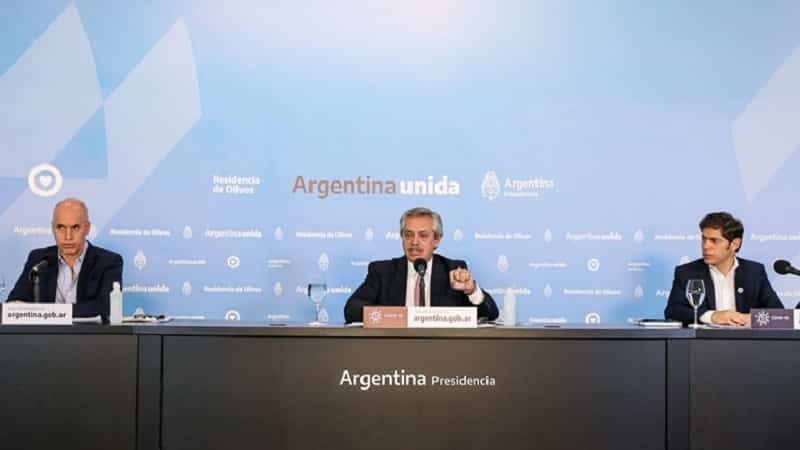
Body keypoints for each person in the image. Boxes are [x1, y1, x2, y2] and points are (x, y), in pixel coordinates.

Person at [344, 207, 498, 323]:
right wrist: (395, 317)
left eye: (423, 236)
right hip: (394, 347)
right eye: (408, 235)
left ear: (436, 240)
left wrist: (471, 290)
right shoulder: (382, 272)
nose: (414, 242)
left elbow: (491, 314)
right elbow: (352, 310)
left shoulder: (453, 270)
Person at [5, 198, 123, 320]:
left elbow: (106, 307)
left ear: (87, 228)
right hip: (45, 332)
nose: (68, 236)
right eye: (61, 227)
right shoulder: (38, 259)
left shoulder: (108, 261)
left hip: (88, 332)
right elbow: (14, 304)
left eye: (75, 227)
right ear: (53, 228)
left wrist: (49, 312)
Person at [664, 212, 782, 326]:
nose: (706, 246)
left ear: (735, 244)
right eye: (704, 239)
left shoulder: (754, 272)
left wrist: (748, 318)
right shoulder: (687, 272)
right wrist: (712, 316)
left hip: (746, 339)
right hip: (704, 339)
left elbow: (779, 315)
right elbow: (673, 311)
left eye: (714, 240)